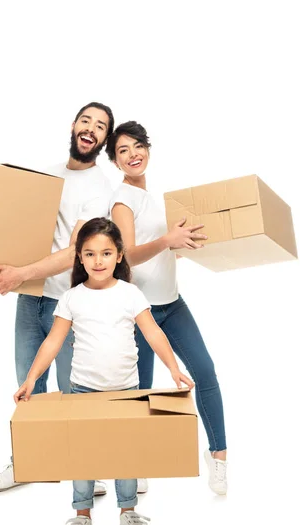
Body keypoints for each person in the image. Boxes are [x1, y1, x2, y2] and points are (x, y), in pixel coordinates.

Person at [14, 217, 194, 525]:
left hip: (126, 390)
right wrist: (31, 379)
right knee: (83, 456)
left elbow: (153, 332)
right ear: (79, 258)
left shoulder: (130, 294)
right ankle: (82, 517)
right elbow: (53, 342)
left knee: (125, 455)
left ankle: (128, 511)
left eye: (107, 253)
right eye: (90, 254)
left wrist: (174, 368)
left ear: (119, 256)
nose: (99, 261)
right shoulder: (72, 298)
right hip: (83, 391)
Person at [0, 102, 114, 495]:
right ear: (74, 126)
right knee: (28, 384)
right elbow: (18, 230)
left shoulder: (98, 189)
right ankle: (27, 462)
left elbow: (76, 249)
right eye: (86, 120)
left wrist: (20, 273)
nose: (91, 128)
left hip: (70, 305)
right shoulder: (46, 177)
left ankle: (86, 470)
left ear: (104, 140)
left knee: (74, 391)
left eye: (101, 126)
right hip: (31, 298)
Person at [106, 121, 228, 495]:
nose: (133, 155)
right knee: (140, 390)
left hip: (172, 305)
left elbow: (163, 246)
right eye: (123, 150)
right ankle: (136, 463)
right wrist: (167, 240)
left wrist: (180, 243)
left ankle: (219, 458)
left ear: (149, 149)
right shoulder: (121, 200)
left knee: (204, 372)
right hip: (140, 312)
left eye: (138, 146)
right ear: (115, 160)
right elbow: (126, 255)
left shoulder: (158, 197)